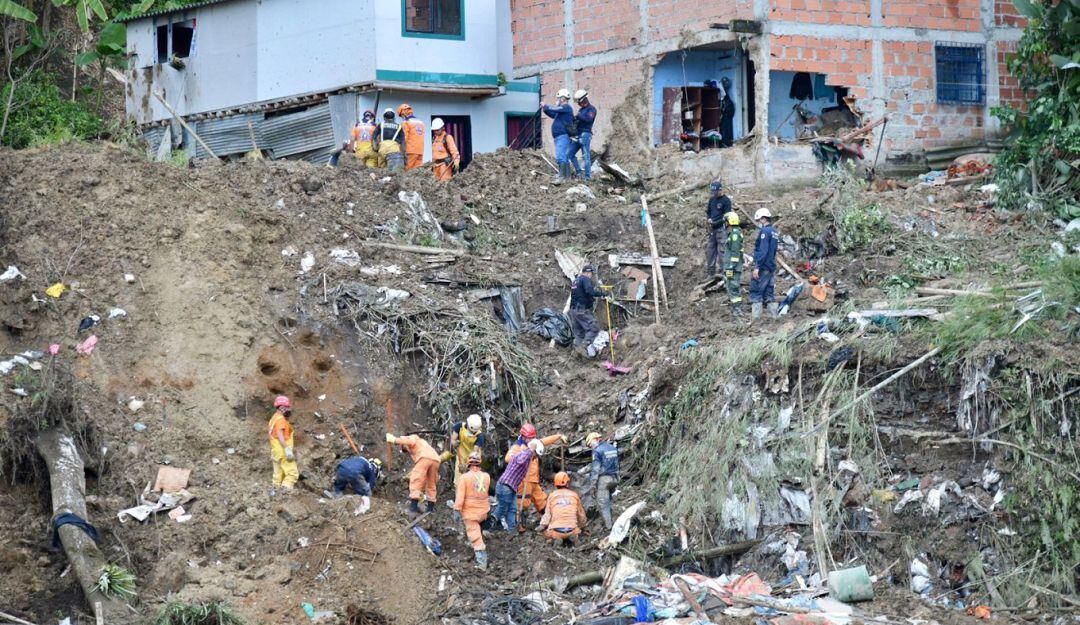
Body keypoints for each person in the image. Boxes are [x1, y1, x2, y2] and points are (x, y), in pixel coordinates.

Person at [505, 424, 566, 532]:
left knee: (542, 501)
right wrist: (523, 453)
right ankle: (516, 526)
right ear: (523, 436)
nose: (532, 439)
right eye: (529, 438)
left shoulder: (534, 443)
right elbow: (508, 458)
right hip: (523, 481)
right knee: (522, 504)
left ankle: (550, 521)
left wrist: (558, 436)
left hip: (534, 480)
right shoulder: (517, 447)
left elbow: (544, 441)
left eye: (533, 437)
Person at [491, 438, 544, 532]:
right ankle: (488, 526)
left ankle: (512, 531)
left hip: (511, 488)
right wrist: (530, 450)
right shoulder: (523, 455)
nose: (535, 458)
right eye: (536, 455)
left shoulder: (526, 455)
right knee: (503, 508)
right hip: (505, 486)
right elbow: (521, 460)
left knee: (512, 509)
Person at [385, 432, 441, 515]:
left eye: (404, 448)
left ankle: (413, 508)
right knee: (431, 483)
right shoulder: (422, 443)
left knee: (416, 479)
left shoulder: (412, 438)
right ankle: (430, 509)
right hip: (436, 459)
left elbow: (409, 442)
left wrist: (394, 440)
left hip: (424, 457)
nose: (406, 450)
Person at [453, 452, 491, 569]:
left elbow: (460, 497)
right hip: (484, 511)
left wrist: (456, 509)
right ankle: (477, 541)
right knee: (478, 529)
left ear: (468, 463)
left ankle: (482, 562)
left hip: (470, 513)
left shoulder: (464, 478)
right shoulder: (486, 476)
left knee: (474, 535)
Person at [538, 471, 587, 545]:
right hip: (572, 530)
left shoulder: (552, 496)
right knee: (577, 531)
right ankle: (573, 537)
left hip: (556, 531)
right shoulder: (574, 495)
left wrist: (542, 526)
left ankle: (555, 540)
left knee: (545, 534)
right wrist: (582, 527)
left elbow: (547, 516)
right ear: (567, 483)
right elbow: (581, 516)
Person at [569, 264, 607, 357]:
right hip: (581, 309)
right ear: (588, 272)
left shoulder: (575, 281)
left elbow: (578, 294)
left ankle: (577, 353)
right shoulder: (585, 279)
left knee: (579, 333)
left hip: (573, 310)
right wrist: (602, 294)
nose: (591, 276)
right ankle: (584, 347)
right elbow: (589, 291)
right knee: (594, 327)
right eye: (591, 273)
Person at [585, 432, 619, 529]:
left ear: (595, 439)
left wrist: (592, 485)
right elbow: (617, 465)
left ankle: (609, 528)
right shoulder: (612, 448)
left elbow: (596, 470)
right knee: (610, 502)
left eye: (590, 444)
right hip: (614, 478)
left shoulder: (597, 451)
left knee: (603, 505)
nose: (591, 447)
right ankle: (615, 523)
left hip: (604, 480)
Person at [750, 207, 779, 320]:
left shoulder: (765, 232)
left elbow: (763, 251)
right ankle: (774, 316)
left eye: (758, 221)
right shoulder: (774, 231)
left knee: (756, 290)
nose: (758, 223)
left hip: (764, 266)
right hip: (771, 265)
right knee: (769, 291)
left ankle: (756, 319)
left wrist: (757, 266)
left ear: (763, 219)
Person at [541, 88, 575, 183]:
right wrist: (545, 109)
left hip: (563, 136)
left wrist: (546, 105)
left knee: (561, 156)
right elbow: (552, 114)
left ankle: (562, 177)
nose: (558, 100)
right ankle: (566, 177)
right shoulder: (562, 112)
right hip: (559, 137)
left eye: (559, 98)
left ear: (563, 98)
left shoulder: (566, 108)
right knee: (562, 155)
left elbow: (554, 109)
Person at [267, 395, 298, 496]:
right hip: (283, 452)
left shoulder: (273, 418)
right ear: (281, 407)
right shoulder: (280, 419)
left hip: (275, 452)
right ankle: (285, 494)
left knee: (278, 476)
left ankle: (274, 494)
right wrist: (287, 449)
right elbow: (280, 434)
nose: (289, 409)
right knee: (292, 473)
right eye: (287, 407)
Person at [568, 89, 597, 181]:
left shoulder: (592, 109)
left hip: (585, 135)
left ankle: (587, 177)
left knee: (586, 156)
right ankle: (579, 173)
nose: (578, 104)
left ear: (582, 100)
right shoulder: (581, 110)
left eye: (578, 102)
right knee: (570, 154)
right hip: (578, 135)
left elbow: (588, 119)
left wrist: (578, 116)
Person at [705, 181, 732, 278]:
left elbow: (727, 216)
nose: (714, 193)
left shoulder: (726, 201)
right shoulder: (712, 199)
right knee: (710, 251)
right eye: (712, 191)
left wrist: (716, 222)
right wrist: (709, 219)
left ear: (720, 190)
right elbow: (708, 212)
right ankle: (710, 273)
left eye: (715, 191)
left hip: (721, 229)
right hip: (712, 230)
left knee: (722, 251)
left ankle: (725, 274)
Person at [448, 413, 486, 483]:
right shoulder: (459, 427)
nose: (472, 433)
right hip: (461, 455)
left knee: (471, 480)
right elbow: (453, 440)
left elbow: (474, 454)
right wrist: (455, 443)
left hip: (474, 458)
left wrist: (466, 466)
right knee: (458, 480)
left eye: (474, 432)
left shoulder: (479, 436)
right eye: (471, 431)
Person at [722, 211, 745, 318]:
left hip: (733, 268)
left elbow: (735, 253)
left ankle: (737, 309)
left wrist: (731, 267)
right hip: (732, 267)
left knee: (733, 286)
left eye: (726, 221)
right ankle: (736, 307)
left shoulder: (735, 235)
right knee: (731, 285)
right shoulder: (734, 233)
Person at [397, 103, 426, 171]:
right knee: (417, 172)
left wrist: (399, 150)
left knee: (407, 171)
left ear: (403, 113)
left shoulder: (406, 122)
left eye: (401, 115)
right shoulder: (421, 123)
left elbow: (404, 138)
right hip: (420, 151)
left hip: (410, 152)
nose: (402, 117)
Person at [719, 77, 736, 148]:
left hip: (727, 116)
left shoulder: (726, 99)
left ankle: (727, 143)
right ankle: (725, 142)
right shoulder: (723, 96)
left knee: (727, 129)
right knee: (724, 129)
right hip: (725, 115)